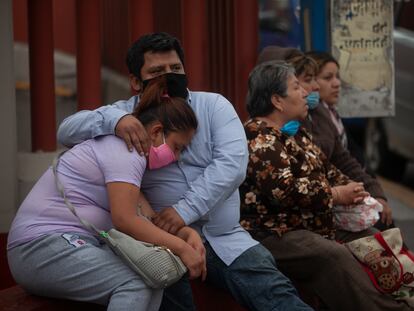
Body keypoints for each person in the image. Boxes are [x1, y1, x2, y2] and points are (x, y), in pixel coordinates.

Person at [57, 32, 313, 311]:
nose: (169, 76)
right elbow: (67, 130)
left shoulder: (213, 106)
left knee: (277, 294)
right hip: (163, 242)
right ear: (135, 81)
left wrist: (183, 210)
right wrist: (116, 120)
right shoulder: (129, 115)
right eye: (157, 71)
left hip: (225, 237)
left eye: (175, 69)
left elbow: (232, 165)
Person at [7, 77, 206, 311]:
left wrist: (185, 234)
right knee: (134, 283)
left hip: (65, 245)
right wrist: (182, 249)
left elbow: (149, 219)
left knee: (150, 279)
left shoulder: (131, 157)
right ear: (156, 131)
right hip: (39, 247)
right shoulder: (126, 152)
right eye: (177, 147)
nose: (177, 156)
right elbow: (126, 220)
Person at [239, 61, 412, 311]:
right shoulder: (260, 139)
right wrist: (336, 194)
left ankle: (406, 296)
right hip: (276, 231)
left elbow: (328, 169)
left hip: (312, 222)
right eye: (297, 86)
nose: (306, 93)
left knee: (373, 238)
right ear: (277, 100)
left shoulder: (295, 134)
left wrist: (354, 189)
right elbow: (284, 191)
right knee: (332, 255)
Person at [257, 46, 393, 230]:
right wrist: (337, 194)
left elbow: (339, 163)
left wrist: (365, 191)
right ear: (277, 97)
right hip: (290, 228)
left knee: (383, 234)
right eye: (301, 83)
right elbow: (289, 192)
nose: (315, 88)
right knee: (343, 255)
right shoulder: (265, 136)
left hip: (320, 216)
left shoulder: (316, 116)